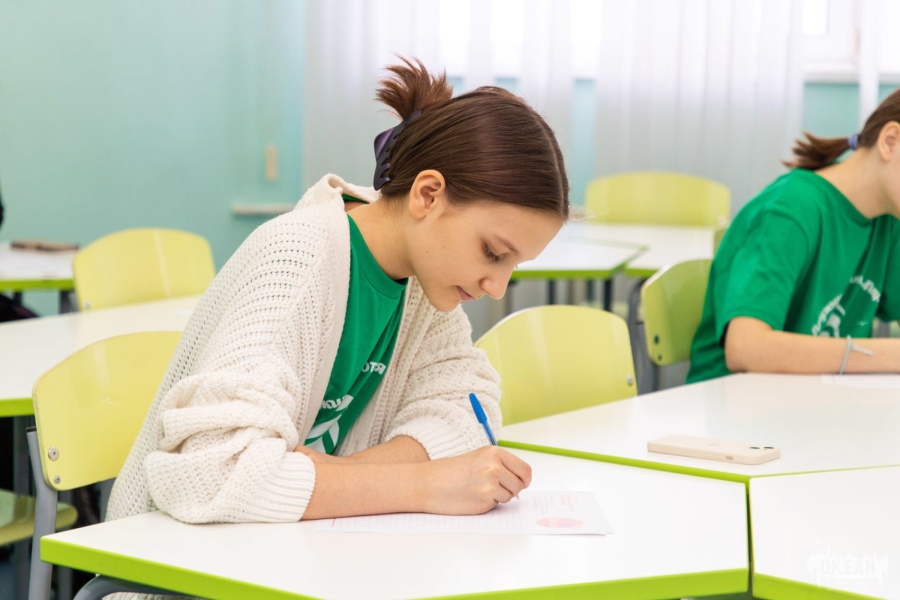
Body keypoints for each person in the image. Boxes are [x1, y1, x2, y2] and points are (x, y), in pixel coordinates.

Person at [107, 57, 569, 526]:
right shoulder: (297, 258)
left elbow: (468, 411)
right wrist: (425, 484)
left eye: (513, 265)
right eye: (493, 252)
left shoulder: (423, 287)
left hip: (294, 547)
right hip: (169, 559)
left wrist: (344, 477)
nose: (497, 287)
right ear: (427, 195)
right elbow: (212, 473)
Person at [688, 88, 900, 383]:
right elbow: (746, 347)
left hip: (813, 399)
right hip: (731, 400)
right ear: (890, 142)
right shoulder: (792, 211)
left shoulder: (888, 215)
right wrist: (888, 354)